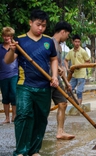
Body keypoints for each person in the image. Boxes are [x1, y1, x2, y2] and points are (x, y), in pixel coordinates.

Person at [4, 9, 59, 156]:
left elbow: (53, 59)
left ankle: (34, 150)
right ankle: (21, 151)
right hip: (25, 86)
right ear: (30, 22)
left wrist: (55, 76)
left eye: (44, 25)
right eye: (38, 25)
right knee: (23, 116)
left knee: (41, 118)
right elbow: (8, 61)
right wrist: (11, 50)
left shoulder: (48, 41)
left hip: (44, 87)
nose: (41, 28)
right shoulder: (20, 41)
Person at [52, 21, 75, 140]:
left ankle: (60, 131)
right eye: (67, 34)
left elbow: (60, 66)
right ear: (63, 32)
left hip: (57, 79)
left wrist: (66, 83)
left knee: (63, 103)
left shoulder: (59, 46)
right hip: (48, 78)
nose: (67, 37)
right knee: (43, 108)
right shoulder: (50, 43)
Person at [64, 34, 90, 105]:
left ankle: (79, 107)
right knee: (69, 90)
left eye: (78, 42)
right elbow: (66, 60)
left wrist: (81, 66)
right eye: (76, 41)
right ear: (73, 42)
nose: (77, 43)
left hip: (81, 74)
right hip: (74, 74)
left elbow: (88, 62)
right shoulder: (71, 51)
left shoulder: (83, 51)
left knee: (79, 91)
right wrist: (67, 68)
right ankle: (75, 104)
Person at [0, 27, 18, 124]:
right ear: (3, 36)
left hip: (14, 74)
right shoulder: (0, 48)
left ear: (12, 37)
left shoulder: (16, 47)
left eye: (9, 36)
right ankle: (7, 118)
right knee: (5, 96)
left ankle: (14, 116)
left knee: (14, 95)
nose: (7, 38)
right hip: (2, 76)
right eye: (5, 36)